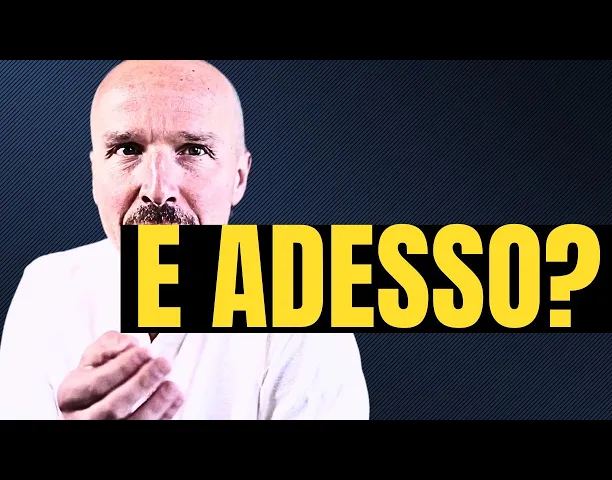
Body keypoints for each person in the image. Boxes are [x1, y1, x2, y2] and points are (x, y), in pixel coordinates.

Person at [0, 60, 369, 420]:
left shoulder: (303, 311)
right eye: (127, 149)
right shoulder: (47, 288)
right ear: (96, 175)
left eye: (193, 150)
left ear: (238, 179)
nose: (158, 190)